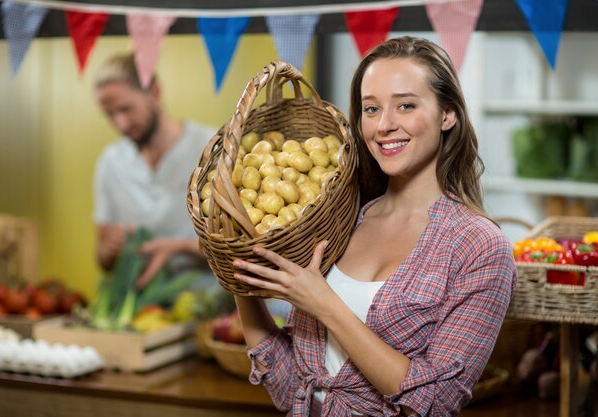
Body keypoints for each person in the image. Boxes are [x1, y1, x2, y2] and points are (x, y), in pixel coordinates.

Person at [230, 36, 517, 417]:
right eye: (371, 108)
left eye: (406, 105)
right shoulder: (340, 218)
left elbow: (434, 403)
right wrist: (238, 271)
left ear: (447, 114)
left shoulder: (479, 247)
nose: (384, 125)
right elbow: (291, 389)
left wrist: (325, 304)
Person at [92, 52, 217, 289]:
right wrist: (109, 248)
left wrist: (179, 248)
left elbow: (244, 246)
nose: (120, 124)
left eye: (126, 109)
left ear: (155, 93)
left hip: (212, 310)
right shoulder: (111, 162)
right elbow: (103, 260)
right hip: (143, 313)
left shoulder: (211, 148)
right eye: (110, 115)